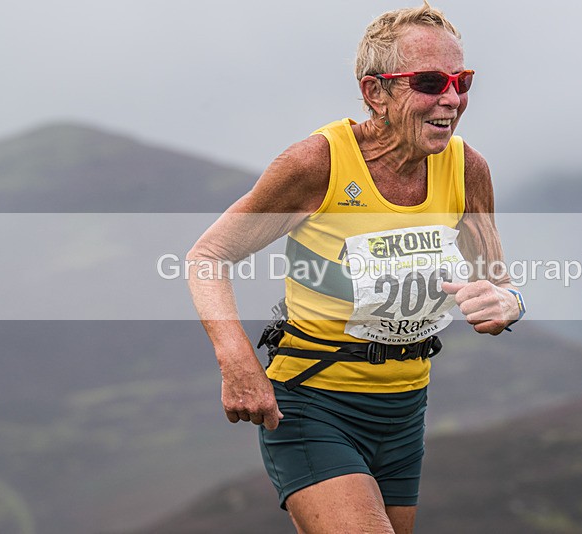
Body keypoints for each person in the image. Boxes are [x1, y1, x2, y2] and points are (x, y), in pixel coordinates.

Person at [187, 2, 524, 532]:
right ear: (375, 93)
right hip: (312, 403)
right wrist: (237, 361)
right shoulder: (317, 164)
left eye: (462, 80)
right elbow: (207, 257)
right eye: (431, 81)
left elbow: (499, 283)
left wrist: (508, 303)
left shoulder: (466, 167)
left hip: (405, 410)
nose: (452, 99)